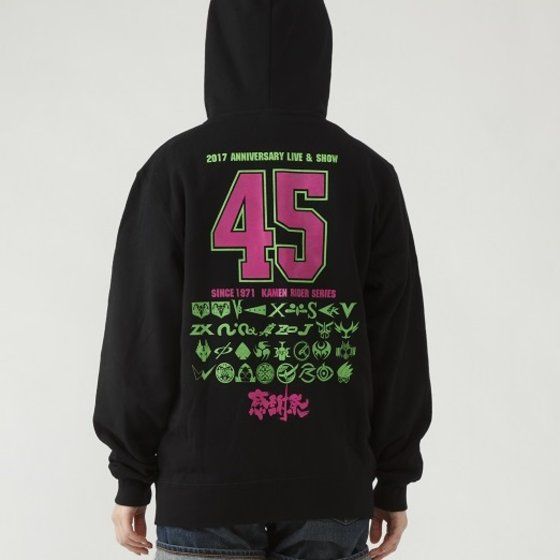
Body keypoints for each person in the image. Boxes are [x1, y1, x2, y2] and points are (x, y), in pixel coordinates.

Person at [93, 0, 432, 558]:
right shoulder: (366, 173)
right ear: (318, 46)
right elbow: (396, 338)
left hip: (204, 484)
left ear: (220, 45)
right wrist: (393, 477)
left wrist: (132, 475)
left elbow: (140, 329)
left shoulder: (174, 168)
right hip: (330, 480)